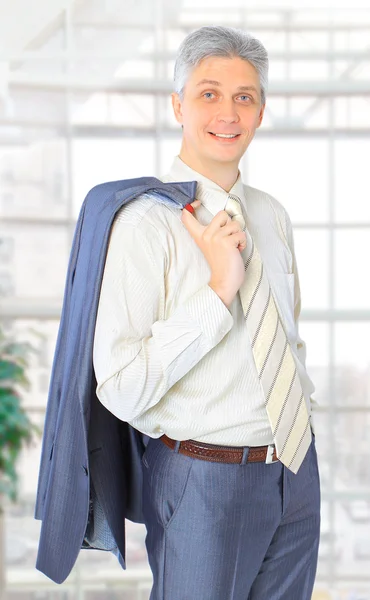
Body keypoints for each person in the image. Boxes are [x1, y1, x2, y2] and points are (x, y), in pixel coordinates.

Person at [92, 25, 320, 599]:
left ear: (262, 111)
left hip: (296, 469)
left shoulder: (271, 215)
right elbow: (118, 387)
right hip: (204, 478)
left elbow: (286, 337)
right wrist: (218, 290)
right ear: (178, 104)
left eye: (245, 96)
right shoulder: (145, 223)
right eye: (209, 93)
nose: (229, 111)